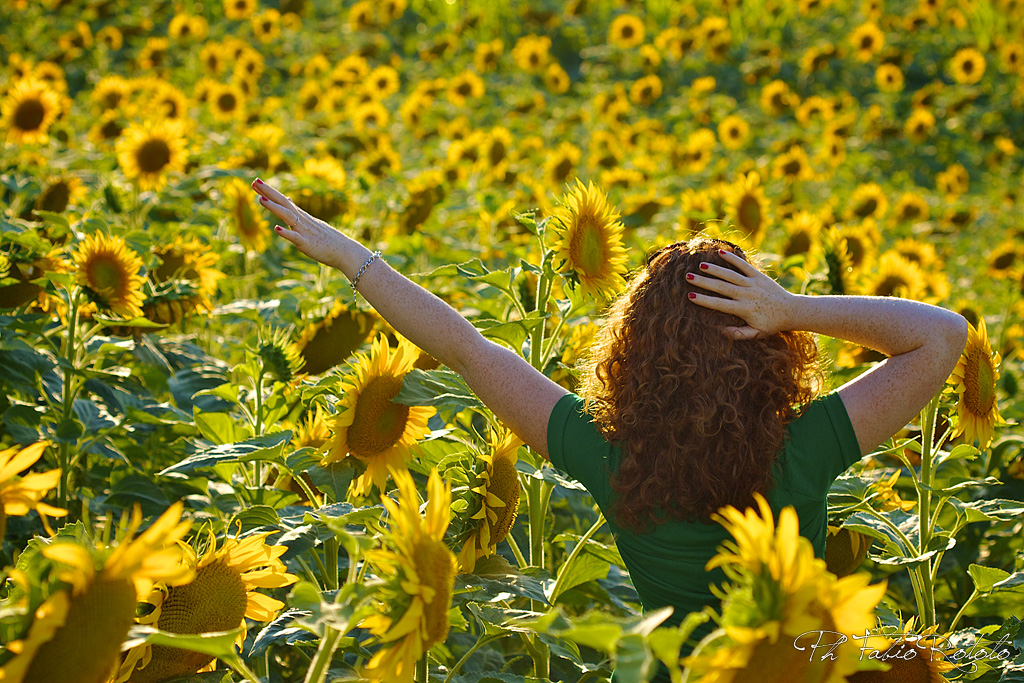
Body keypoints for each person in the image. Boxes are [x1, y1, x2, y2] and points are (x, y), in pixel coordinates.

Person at [250, 178, 968, 681]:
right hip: (801, 670)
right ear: (767, 358)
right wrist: (788, 307)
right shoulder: (804, 450)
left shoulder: (607, 456)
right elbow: (940, 337)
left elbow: (466, 347)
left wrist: (352, 257)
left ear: (634, 354)